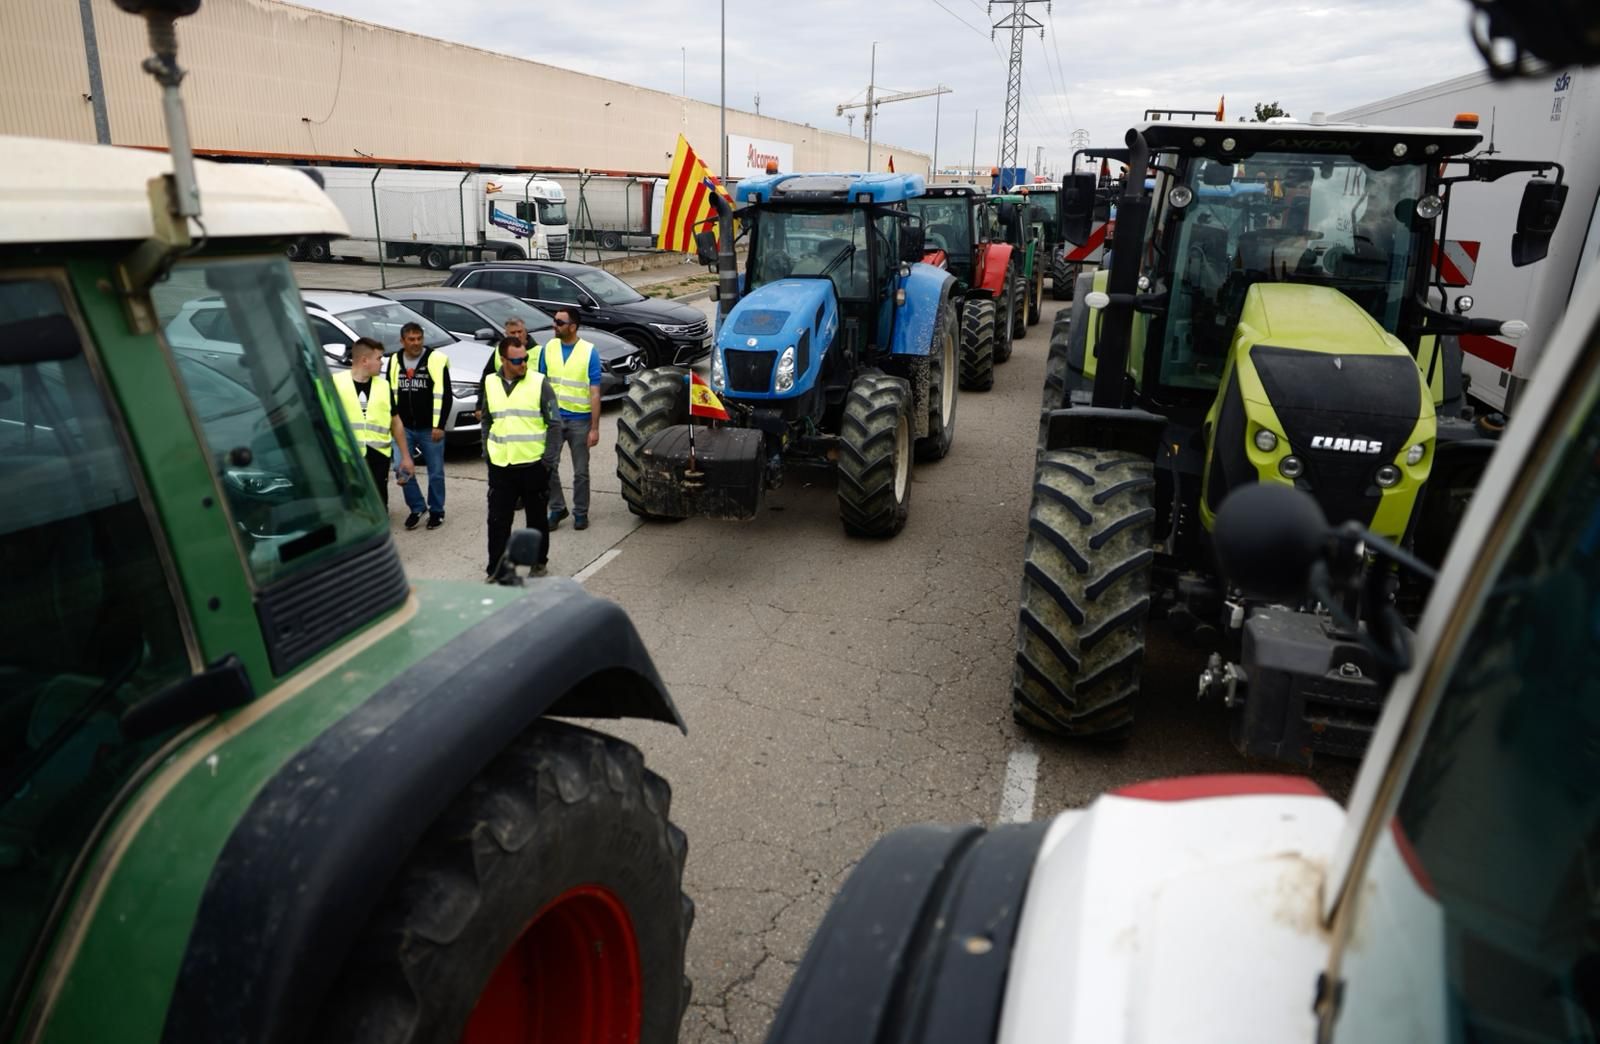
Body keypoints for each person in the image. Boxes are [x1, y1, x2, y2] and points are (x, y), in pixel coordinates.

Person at [481, 335, 562, 580]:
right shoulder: (490, 383)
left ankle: (538, 562)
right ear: (504, 360)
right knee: (497, 521)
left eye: (525, 359)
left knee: (536, 519)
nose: (523, 364)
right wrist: (487, 452)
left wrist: (548, 462)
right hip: (501, 465)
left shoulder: (539, 383)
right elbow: (487, 419)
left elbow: (555, 424)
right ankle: (496, 567)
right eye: (517, 361)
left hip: (533, 465)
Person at [539, 307, 602, 531]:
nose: (554, 325)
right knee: (547, 466)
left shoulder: (589, 352)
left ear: (573, 327)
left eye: (559, 322)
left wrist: (594, 428)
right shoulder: (549, 348)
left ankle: (580, 513)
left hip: (580, 421)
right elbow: (541, 385)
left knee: (581, 471)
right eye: (554, 321)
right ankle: (557, 508)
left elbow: (595, 392)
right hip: (554, 420)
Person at [388, 321, 452, 530]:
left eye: (419, 339)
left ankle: (436, 511)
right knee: (400, 467)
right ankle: (417, 507)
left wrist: (439, 425)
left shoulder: (435, 360)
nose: (416, 343)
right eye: (411, 339)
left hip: (429, 429)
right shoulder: (394, 361)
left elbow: (445, 395)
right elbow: (390, 394)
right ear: (402, 341)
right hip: (403, 427)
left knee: (435, 472)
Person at [332, 337, 411, 507]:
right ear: (364, 360)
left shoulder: (383, 386)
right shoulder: (335, 384)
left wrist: (405, 456)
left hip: (378, 456)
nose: (382, 363)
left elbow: (395, 422)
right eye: (379, 358)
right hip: (347, 456)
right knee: (352, 505)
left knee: (379, 504)